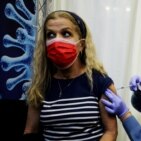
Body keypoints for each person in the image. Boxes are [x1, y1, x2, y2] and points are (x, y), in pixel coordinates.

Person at [23, 10, 117, 140]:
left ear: (81, 45)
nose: (56, 40)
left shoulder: (100, 82)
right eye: (50, 35)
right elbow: (30, 131)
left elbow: (111, 132)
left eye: (66, 33)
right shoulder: (41, 85)